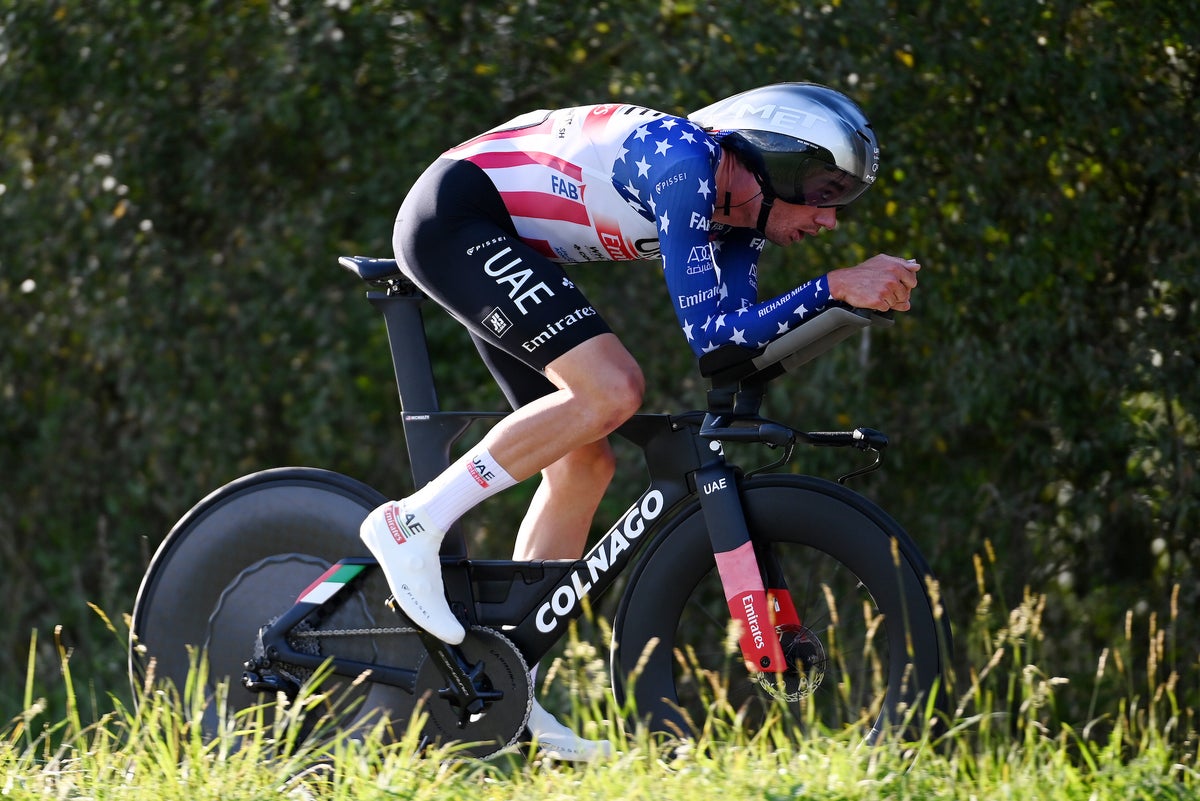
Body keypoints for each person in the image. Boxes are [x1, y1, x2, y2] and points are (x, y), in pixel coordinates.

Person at [360, 82, 920, 758]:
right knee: (612, 388)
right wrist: (833, 286)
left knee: (586, 461)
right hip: (456, 215)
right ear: (776, 165)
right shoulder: (686, 165)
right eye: (825, 193)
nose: (829, 220)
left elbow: (734, 350)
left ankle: (506, 694)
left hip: (505, 238)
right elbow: (712, 336)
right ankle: (410, 522)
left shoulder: (740, 219)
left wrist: (835, 305)